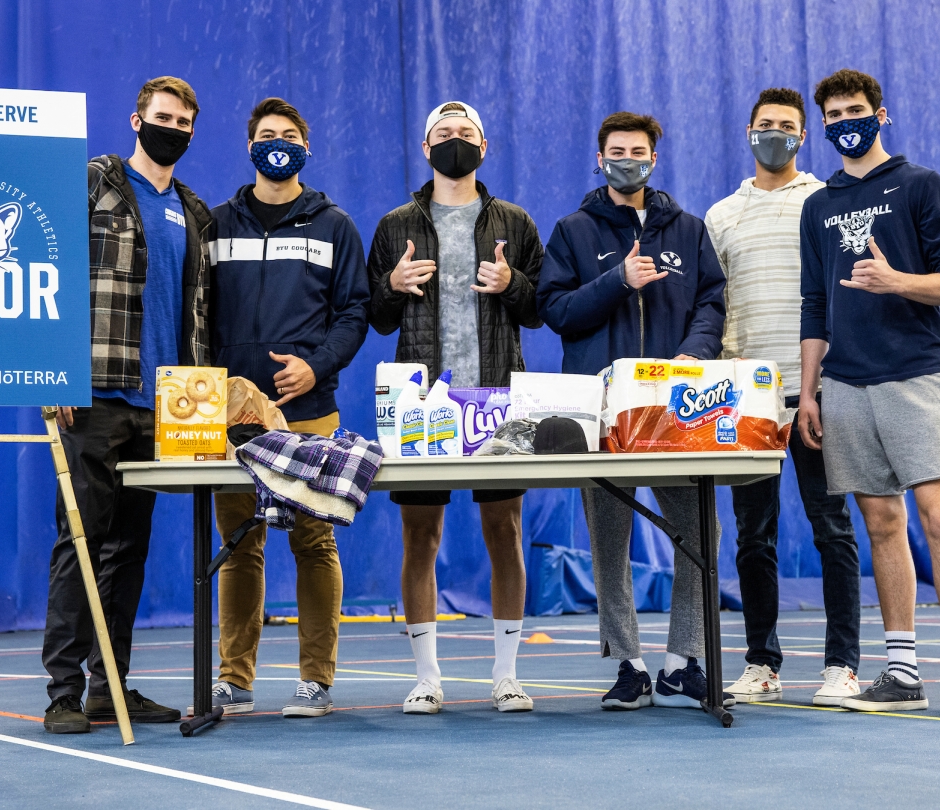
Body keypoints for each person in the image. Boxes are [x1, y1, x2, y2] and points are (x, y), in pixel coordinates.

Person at [798, 69, 940, 718]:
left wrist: (896, 282)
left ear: (881, 116)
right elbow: (813, 305)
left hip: (917, 373)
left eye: (855, 110)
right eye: (833, 114)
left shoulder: (920, 185)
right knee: (882, 524)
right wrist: (810, 392)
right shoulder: (817, 205)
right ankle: (903, 674)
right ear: (822, 125)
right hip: (845, 385)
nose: (844, 121)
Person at [538, 112, 728, 711]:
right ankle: (629, 665)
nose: (628, 159)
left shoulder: (689, 230)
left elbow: (712, 303)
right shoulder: (573, 231)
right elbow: (558, 311)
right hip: (601, 412)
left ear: (654, 158)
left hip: (674, 409)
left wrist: (688, 361)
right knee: (610, 538)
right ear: (600, 159)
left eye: (638, 150)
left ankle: (682, 660)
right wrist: (618, 280)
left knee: (701, 530)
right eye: (617, 150)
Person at [42, 76, 210, 734]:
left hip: (161, 407)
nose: (175, 128)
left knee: (129, 550)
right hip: (92, 398)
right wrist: (53, 372)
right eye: (164, 117)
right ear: (137, 120)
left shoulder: (195, 211)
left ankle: (107, 686)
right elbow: (48, 268)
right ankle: (61, 691)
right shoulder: (96, 182)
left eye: (185, 122)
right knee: (79, 543)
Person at [367, 101, 545, 715]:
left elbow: (539, 307)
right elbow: (376, 314)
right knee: (421, 536)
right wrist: (390, 286)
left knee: (506, 531)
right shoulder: (395, 223)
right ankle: (426, 676)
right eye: (443, 134)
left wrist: (512, 285)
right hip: (423, 401)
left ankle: (506, 674)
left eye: (465, 134)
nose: (454, 141)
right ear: (425, 148)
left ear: (484, 146)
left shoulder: (514, 221)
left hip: (499, 397)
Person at [206, 97, 370, 719]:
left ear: (307, 148)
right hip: (229, 419)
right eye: (268, 135)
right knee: (239, 546)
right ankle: (234, 679)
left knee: (313, 540)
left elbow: (354, 313)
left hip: (309, 414)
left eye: (291, 135)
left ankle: (315, 681)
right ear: (250, 147)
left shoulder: (336, 226)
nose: (279, 143)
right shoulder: (215, 225)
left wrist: (316, 365)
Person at [706, 88, 862, 707]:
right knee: (753, 537)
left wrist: (823, 383)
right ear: (748, 132)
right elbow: (713, 309)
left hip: (818, 395)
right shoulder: (721, 215)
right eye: (765, 125)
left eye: (788, 126)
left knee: (833, 530)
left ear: (804, 135)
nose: (776, 133)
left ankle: (841, 666)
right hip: (747, 404)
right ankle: (762, 663)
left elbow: (840, 298)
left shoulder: (826, 205)